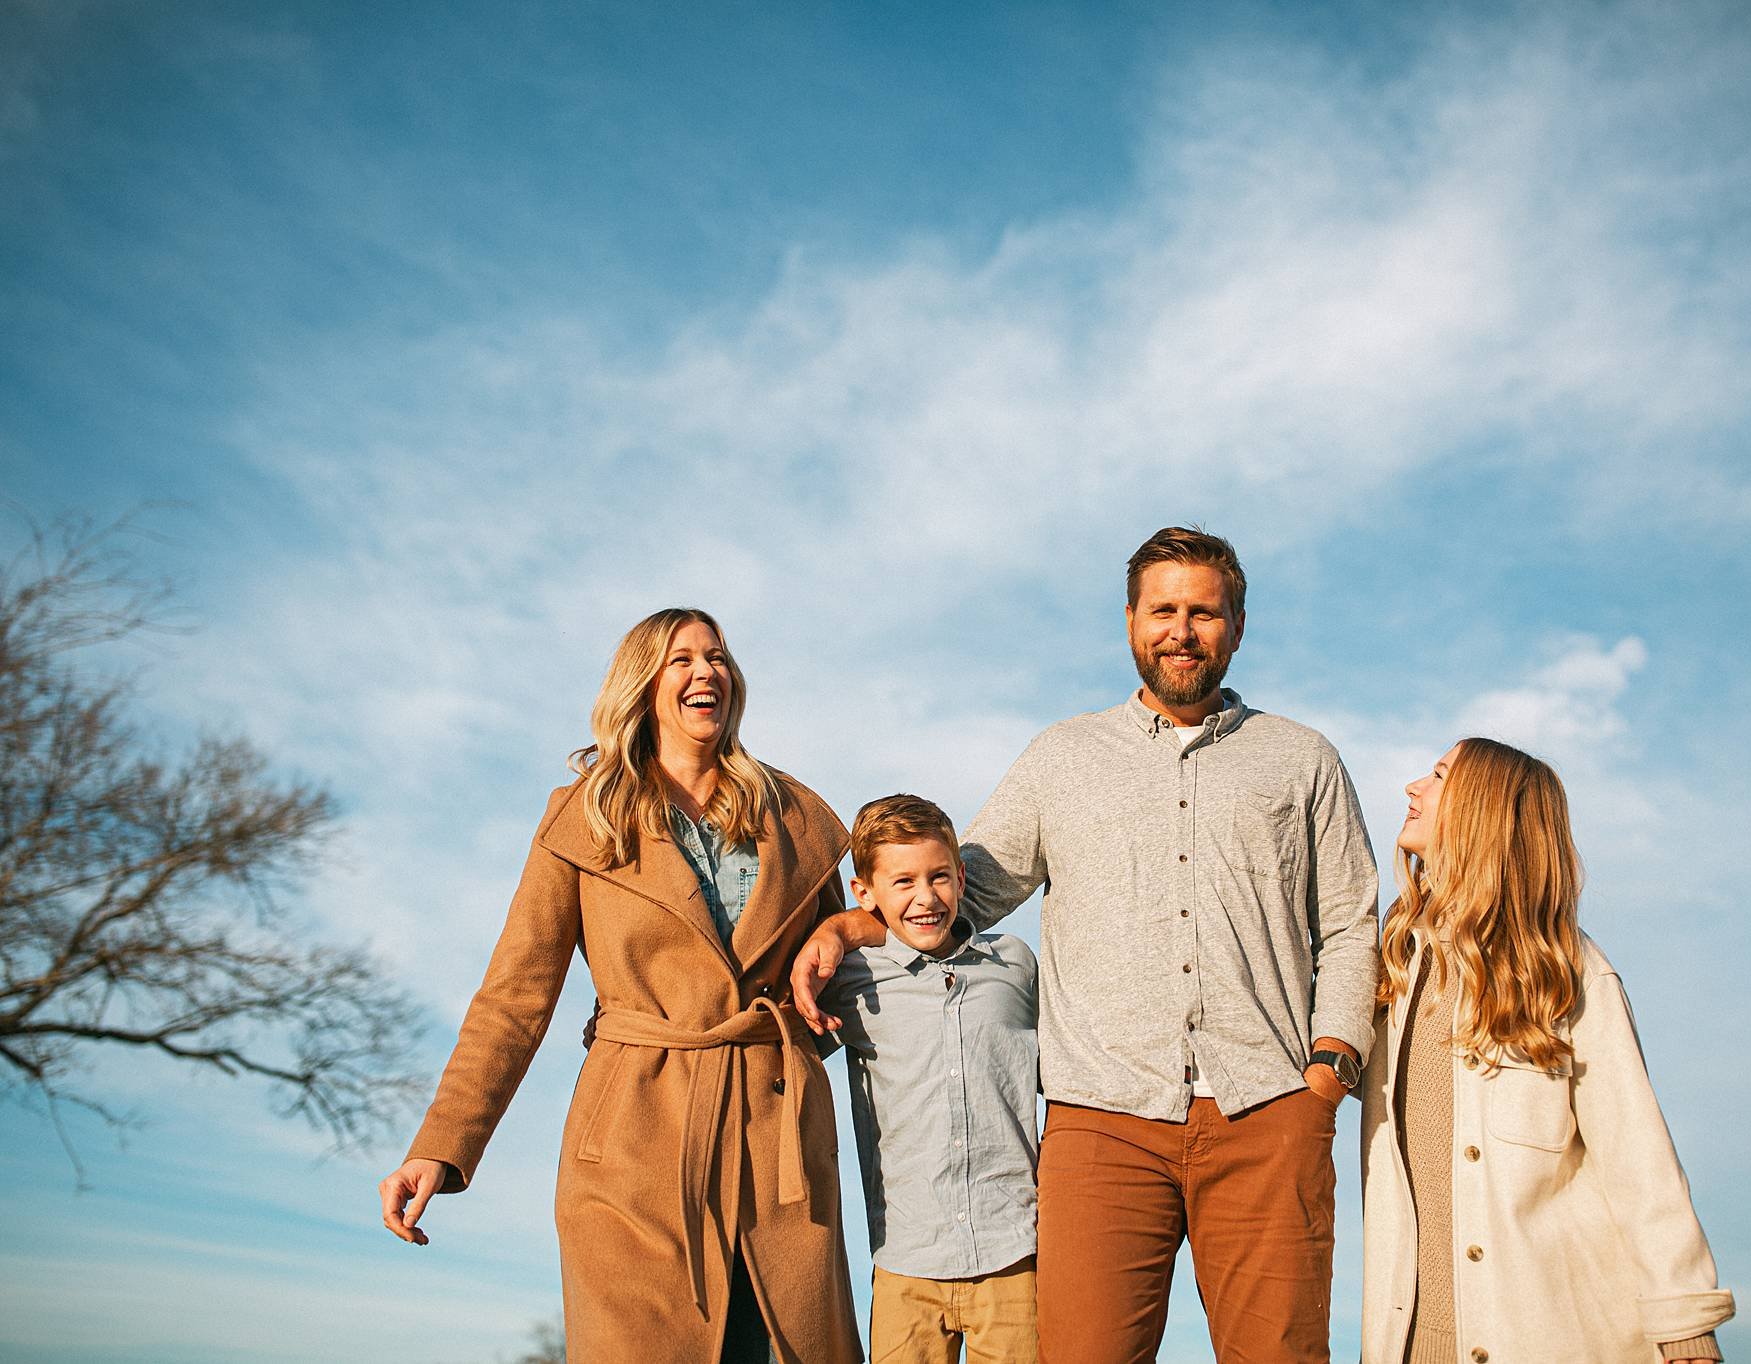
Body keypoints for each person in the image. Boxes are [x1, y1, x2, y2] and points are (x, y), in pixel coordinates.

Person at [794, 526, 1381, 1363]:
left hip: (1269, 1111)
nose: (1182, 630)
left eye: (1204, 613)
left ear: (1237, 627)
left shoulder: (1301, 760)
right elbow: (966, 888)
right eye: (1164, 610)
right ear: (1132, 623)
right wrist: (849, 925)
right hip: (1101, 1125)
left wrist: (1329, 1069)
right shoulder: (1061, 757)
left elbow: (1354, 919)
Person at [375, 608, 863, 1364]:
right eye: (683, 661)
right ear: (643, 685)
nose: (708, 672)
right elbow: (515, 997)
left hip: (780, 1155)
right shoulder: (584, 817)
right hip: (634, 1146)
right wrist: (440, 1145)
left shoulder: (797, 817)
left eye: (719, 658)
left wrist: (843, 932)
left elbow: (870, 955)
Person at [1358, 738, 1735, 1364]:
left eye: (1438, 775)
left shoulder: (1568, 971)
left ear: (1483, 810)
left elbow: (1639, 1161)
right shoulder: (1393, 964)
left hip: (1557, 1337)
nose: (1413, 787)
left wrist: (1686, 1322)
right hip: (1411, 1343)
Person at [814, 794, 1039, 1364]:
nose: (925, 897)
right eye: (903, 881)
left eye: (939, 876)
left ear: (962, 878)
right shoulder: (850, 979)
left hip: (1014, 1257)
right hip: (905, 1263)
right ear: (864, 894)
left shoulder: (1015, 965)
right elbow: (778, 1050)